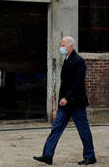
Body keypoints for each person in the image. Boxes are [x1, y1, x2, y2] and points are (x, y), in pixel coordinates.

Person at [33, 36, 96, 165]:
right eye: (60, 45)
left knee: (83, 130)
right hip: (65, 103)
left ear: (71, 46)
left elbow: (78, 83)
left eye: (63, 45)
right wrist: (62, 100)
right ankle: (47, 155)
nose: (61, 48)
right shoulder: (67, 59)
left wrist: (67, 98)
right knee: (56, 128)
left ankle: (90, 156)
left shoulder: (79, 61)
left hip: (76, 102)